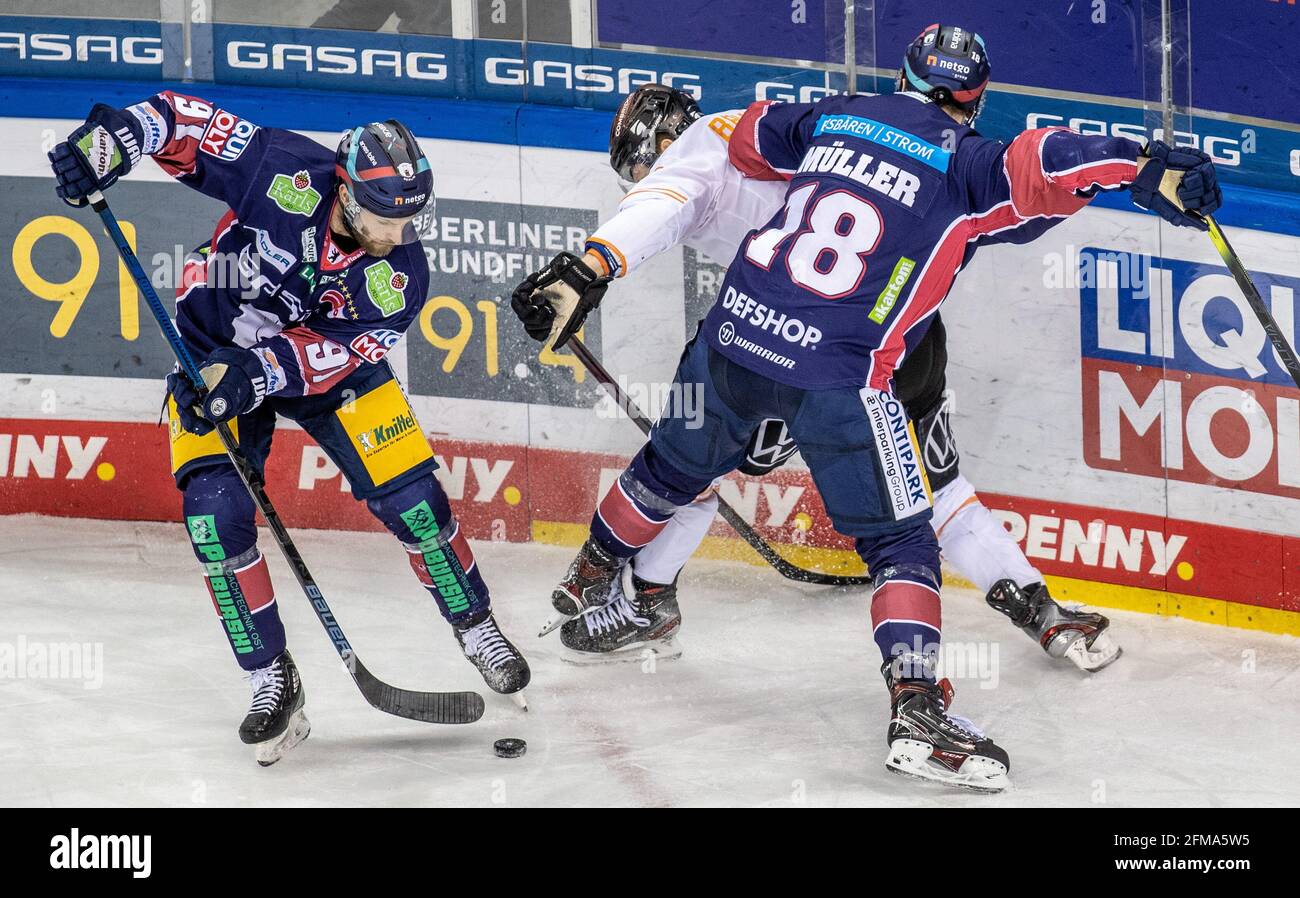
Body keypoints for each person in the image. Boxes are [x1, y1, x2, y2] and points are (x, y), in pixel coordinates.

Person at [511, 24, 1221, 791]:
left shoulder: (831, 114)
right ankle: (918, 705)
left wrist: (591, 264)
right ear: (976, 98)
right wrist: (1148, 168)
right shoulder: (969, 161)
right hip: (849, 364)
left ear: (904, 77)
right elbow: (1046, 159)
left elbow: (744, 139)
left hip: (737, 336)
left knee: (672, 469)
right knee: (903, 538)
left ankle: (596, 572)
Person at [528, 82, 1122, 672]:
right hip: (906, 330)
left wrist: (590, 265)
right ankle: (1042, 612)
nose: (640, 177)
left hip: (811, 355)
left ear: (663, 137)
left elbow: (657, 205)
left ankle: (647, 600)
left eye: (639, 164)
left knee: (692, 461)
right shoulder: (758, 122)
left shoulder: (686, 160)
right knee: (932, 486)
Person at [49, 93, 530, 765]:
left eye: (411, 218)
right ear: (350, 193)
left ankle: (476, 626)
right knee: (213, 519)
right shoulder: (282, 170)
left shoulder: (401, 275)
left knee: (416, 503)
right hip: (213, 352)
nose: (400, 234)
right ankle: (269, 676)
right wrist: (108, 147)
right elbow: (181, 121)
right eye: (388, 217)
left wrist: (260, 370)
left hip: (320, 371)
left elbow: (334, 354)